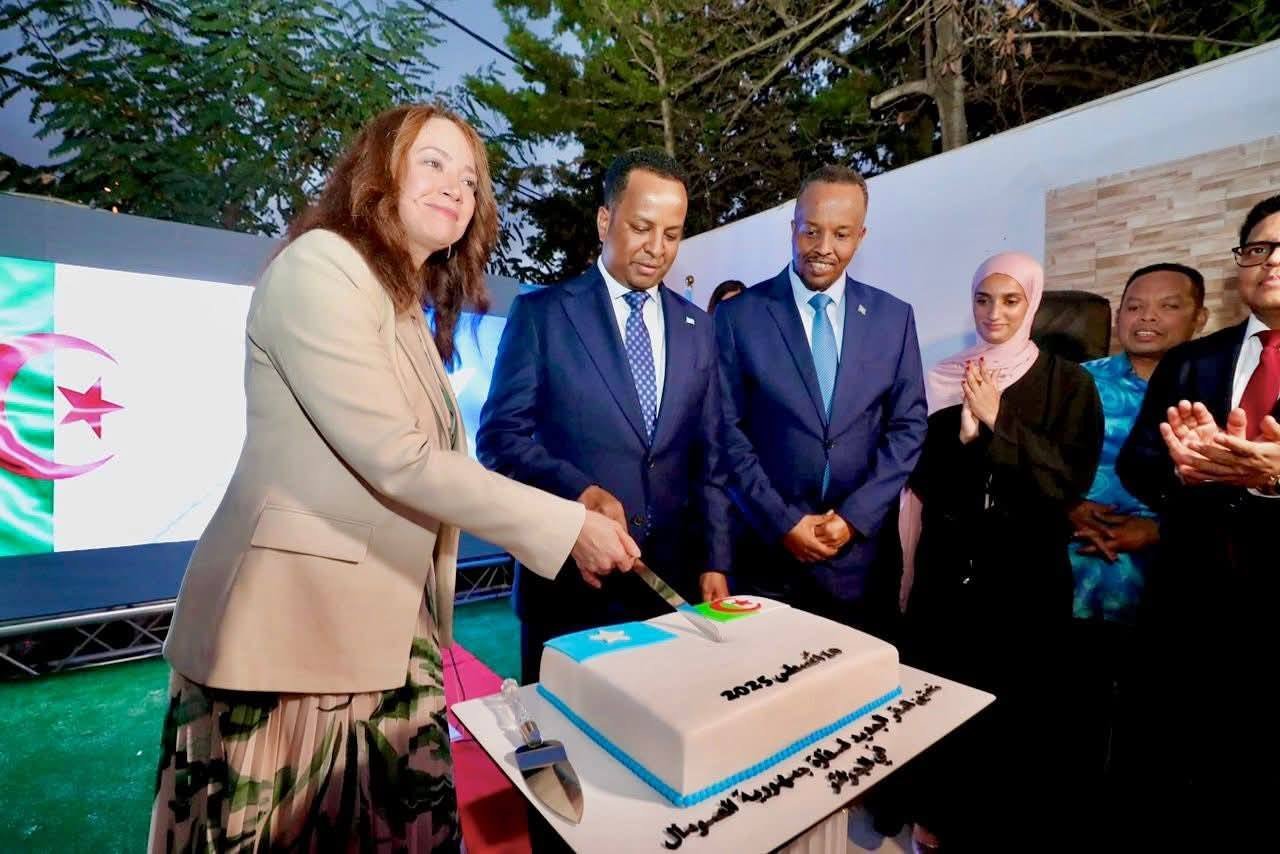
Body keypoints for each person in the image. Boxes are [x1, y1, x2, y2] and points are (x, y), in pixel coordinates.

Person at [149, 105, 639, 853]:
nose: (455, 188)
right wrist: (568, 527)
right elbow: (396, 457)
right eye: (433, 163)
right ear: (377, 171)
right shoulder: (322, 265)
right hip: (291, 646)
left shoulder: (402, 304)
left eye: (470, 180)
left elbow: (435, 467)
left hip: (384, 637)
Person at [477, 149, 732, 684]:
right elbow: (500, 439)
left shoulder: (700, 328)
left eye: (672, 234)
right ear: (604, 220)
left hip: (670, 593)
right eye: (641, 228)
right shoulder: (543, 315)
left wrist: (715, 559)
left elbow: (710, 456)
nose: (657, 248)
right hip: (568, 592)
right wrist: (579, 493)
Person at [900, 252, 1103, 849]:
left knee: (1016, 712)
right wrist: (962, 435)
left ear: (1033, 303)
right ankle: (937, 821)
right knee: (942, 702)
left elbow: (1065, 482)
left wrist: (997, 419)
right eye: (983, 299)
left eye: (1011, 300)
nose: (995, 313)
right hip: (948, 574)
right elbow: (922, 480)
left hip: (1025, 577)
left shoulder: (1069, 383)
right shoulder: (945, 376)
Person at [1116, 195, 1280, 839]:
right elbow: (1139, 462)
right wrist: (1187, 470)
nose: (1271, 262)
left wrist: (1273, 474)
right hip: (1187, 611)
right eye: (1259, 248)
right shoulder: (1192, 361)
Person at [713, 164, 927, 632]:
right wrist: (783, 521)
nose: (824, 247)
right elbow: (726, 432)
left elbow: (908, 427)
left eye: (841, 234)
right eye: (811, 231)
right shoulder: (738, 318)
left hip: (863, 566)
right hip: (770, 559)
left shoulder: (894, 318)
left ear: (861, 236)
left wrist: (854, 518)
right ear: (792, 227)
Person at [1065, 262, 1207, 837]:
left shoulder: (1215, 385)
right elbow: (1031, 464)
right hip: (1072, 577)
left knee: (1151, 741)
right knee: (1068, 725)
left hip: (1167, 590)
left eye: (1168, 306)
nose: (1147, 318)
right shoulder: (1075, 381)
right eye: (1134, 305)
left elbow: (1235, 499)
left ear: (1199, 317)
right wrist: (1068, 507)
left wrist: (1156, 532)